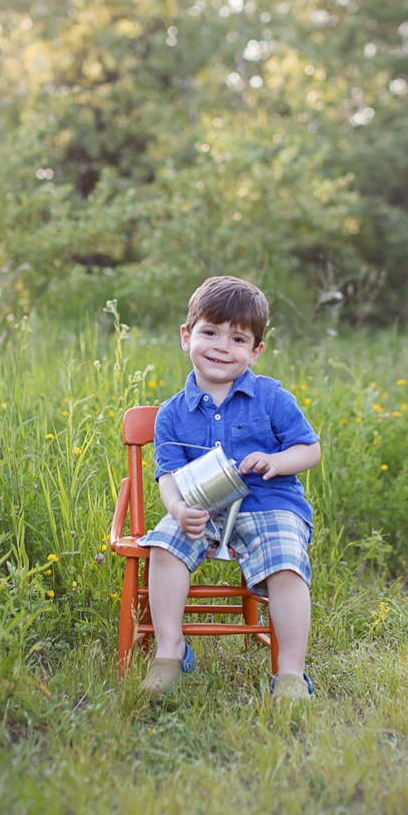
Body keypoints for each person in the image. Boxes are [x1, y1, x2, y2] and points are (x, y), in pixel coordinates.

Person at [138, 276, 322, 700]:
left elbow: (309, 451)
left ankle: (291, 673)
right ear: (187, 337)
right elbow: (169, 476)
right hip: (202, 508)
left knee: (285, 560)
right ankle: (170, 650)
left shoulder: (271, 398)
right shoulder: (171, 414)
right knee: (165, 545)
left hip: (269, 504)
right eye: (209, 332)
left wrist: (277, 461)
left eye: (237, 338)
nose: (222, 346)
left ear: (256, 350)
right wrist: (177, 509)